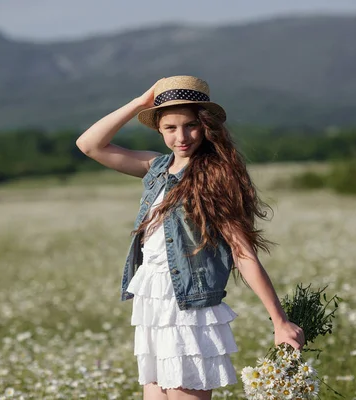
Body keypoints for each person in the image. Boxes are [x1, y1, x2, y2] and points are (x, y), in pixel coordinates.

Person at [76, 76, 304, 400]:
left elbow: (242, 252)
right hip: (152, 303)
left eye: (191, 125)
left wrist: (279, 320)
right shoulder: (155, 168)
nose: (181, 136)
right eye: (170, 127)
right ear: (159, 129)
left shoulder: (213, 177)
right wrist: (142, 103)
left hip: (188, 309)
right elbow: (89, 145)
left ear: (206, 125)